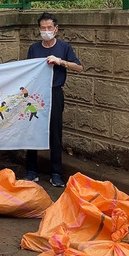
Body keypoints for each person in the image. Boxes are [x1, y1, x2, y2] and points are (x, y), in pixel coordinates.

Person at [24, 12, 82, 187]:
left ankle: (56, 172)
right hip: (36, 95)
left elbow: (79, 67)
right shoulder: (34, 48)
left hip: (55, 92)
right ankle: (31, 170)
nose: (46, 31)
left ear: (56, 29)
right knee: (32, 130)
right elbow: (27, 70)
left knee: (55, 132)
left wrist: (61, 62)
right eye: (43, 28)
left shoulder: (64, 47)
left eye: (50, 28)